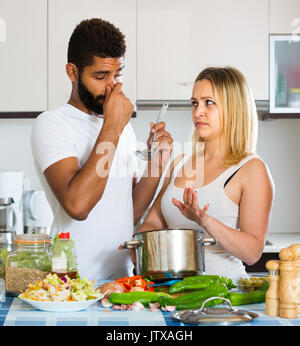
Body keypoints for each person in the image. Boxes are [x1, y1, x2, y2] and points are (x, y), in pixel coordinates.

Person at [31, 18, 173, 280]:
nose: (112, 87)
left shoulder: (122, 129)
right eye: (100, 76)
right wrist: (113, 126)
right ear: (72, 72)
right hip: (71, 284)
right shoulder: (51, 124)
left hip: (120, 281)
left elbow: (130, 210)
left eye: (117, 75)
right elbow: (78, 206)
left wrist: (157, 165)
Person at [137, 66, 275, 279]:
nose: (197, 112)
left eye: (208, 102)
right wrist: (141, 248)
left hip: (225, 298)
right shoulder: (180, 163)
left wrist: (204, 220)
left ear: (233, 107)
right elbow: (153, 222)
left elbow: (252, 252)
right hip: (172, 293)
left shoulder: (252, 169)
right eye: (194, 103)